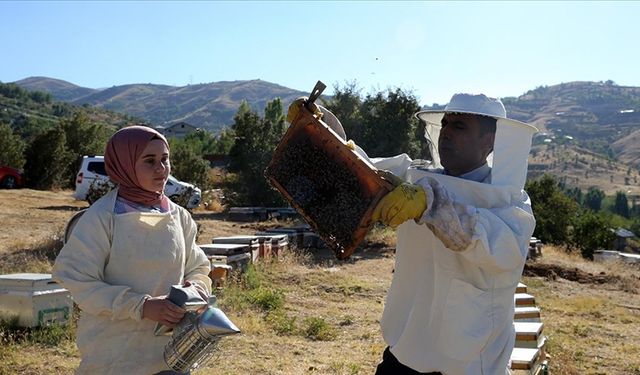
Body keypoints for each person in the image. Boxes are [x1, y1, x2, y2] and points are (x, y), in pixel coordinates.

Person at [290, 93, 537, 374]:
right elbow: (356, 165)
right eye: (445, 124)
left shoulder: (510, 204)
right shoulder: (415, 178)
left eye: (459, 126)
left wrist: (430, 206)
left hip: (470, 363)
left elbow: (498, 246)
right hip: (405, 351)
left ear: (489, 141)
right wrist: (317, 124)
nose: (446, 133)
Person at [53, 125, 212, 375]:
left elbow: (198, 266)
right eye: (149, 161)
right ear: (124, 165)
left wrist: (196, 287)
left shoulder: (179, 216)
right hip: (114, 355)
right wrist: (142, 306)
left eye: (164, 159)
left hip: (171, 353)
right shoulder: (101, 218)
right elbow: (78, 280)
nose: (161, 169)